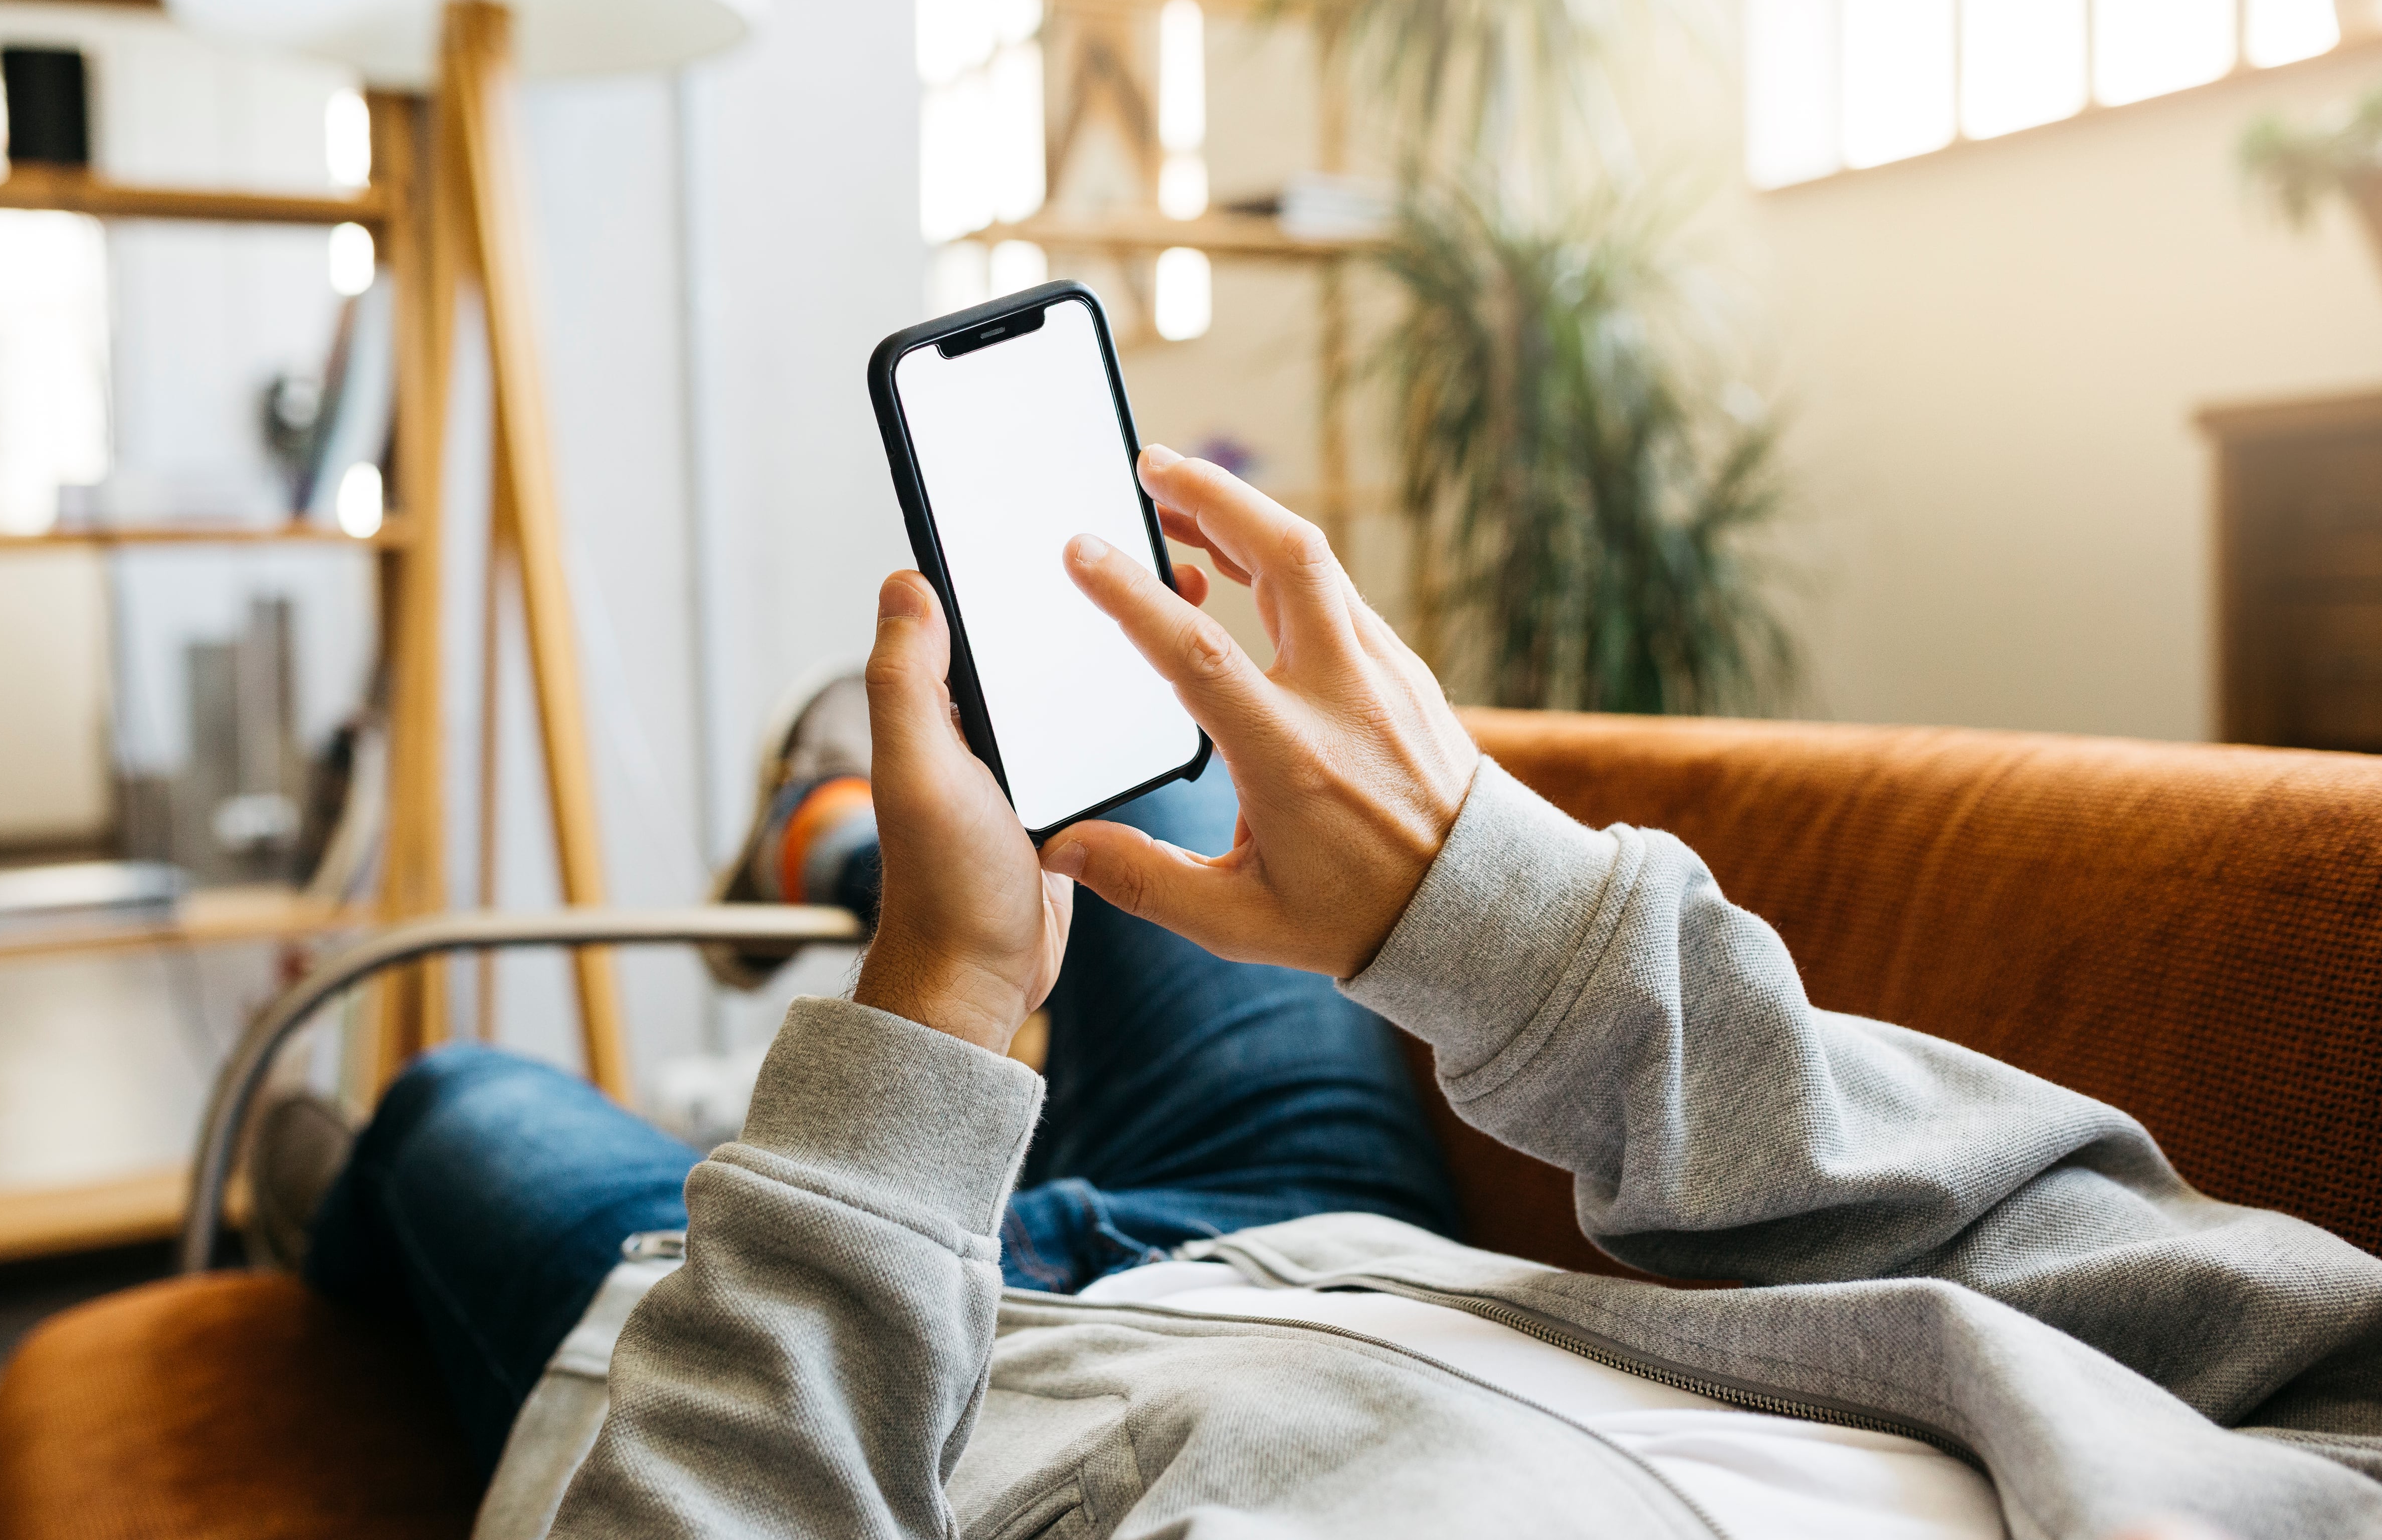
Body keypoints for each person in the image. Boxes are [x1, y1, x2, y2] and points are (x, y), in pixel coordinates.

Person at [283, 447, 2382, 1539]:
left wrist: (930, 1028)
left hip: (918, 1414)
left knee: (450, 1100)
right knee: (1157, 777)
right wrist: (1486, 906)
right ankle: (836, 834)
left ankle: (354, 1173)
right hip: (1317, 1246)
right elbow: (2173, 1296)